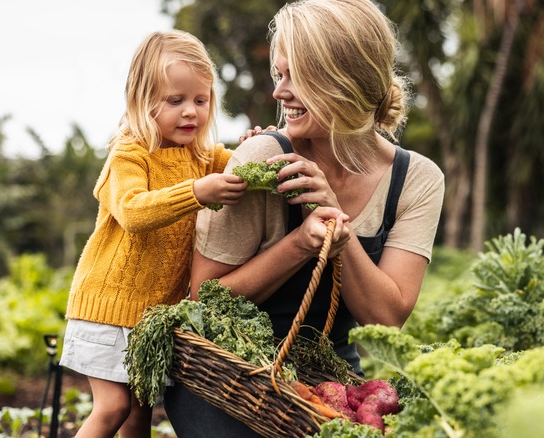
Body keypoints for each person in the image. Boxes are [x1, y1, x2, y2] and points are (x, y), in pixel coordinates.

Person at [164, 0, 445, 435]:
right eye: (280, 75)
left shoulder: (416, 180)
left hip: (325, 384)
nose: (279, 92)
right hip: (229, 379)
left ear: (344, 80)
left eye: (296, 76)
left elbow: (385, 319)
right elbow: (205, 301)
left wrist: (336, 225)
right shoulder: (263, 158)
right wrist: (300, 244)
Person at [59, 30, 247, 438]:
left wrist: (255, 146)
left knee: (139, 416)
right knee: (114, 407)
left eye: (200, 100)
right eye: (175, 101)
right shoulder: (129, 153)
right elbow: (133, 211)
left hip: (150, 321)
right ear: (143, 102)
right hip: (107, 308)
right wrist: (197, 192)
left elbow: (244, 167)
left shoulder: (205, 156)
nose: (190, 113)